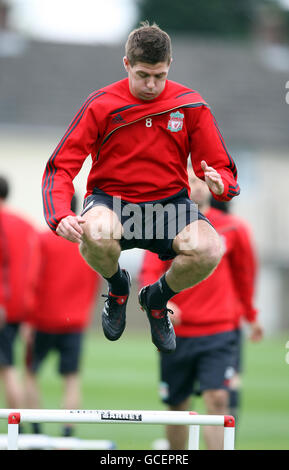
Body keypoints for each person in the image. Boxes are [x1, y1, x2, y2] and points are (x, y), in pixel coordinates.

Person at [42, 21, 240, 354]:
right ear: (126, 65)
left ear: (169, 67)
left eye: (159, 76)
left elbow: (221, 166)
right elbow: (60, 165)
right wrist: (59, 214)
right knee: (96, 231)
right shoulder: (100, 104)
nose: (151, 84)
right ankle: (118, 287)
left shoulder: (190, 105)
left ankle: (156, 299)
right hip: (113, 203)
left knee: (209, 249)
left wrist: (221, 183)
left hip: (169, 207)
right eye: (143, 75)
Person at [139, 168, 261, 450]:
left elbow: (245, 276)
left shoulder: (233, 227)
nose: (195, 187)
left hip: (220, 331)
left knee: (218, 399)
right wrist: (163, 301)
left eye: (199, 181)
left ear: (208, 186)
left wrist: (251, 317)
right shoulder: (162, 226)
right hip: (175, 333)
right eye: (188, 181)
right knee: (177, 407)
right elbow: (149, 272)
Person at [24, 195, 101, 437]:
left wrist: (28, 318)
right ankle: (67, 434)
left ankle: (35, 431)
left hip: (42, 319)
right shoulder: (89, 242)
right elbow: (96, 280)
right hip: (75, 321)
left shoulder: (43, 240)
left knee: (30, 373)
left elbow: (31, 279)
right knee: (72, 378)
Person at [0, 175, 40, 413]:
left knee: (7, 368)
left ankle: (17, 427)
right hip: (21, 305)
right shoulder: (26, 225)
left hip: (3, 305)